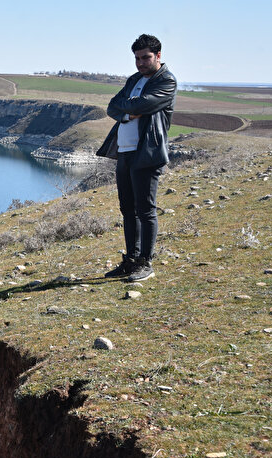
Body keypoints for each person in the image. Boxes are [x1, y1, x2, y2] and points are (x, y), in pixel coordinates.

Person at [97, 34, 176, 282]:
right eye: (137, 58)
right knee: (127, 209)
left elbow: (142, 104)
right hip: (125, 151)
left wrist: (129, 106)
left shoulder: (167, 81)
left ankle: (146, 262)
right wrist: (127, 114)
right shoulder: (134, 79)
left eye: (146, 58)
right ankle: (131, 260)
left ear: (158, 56)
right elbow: (112, 106)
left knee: (145, 210)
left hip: (147, 153)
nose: (140, 63)